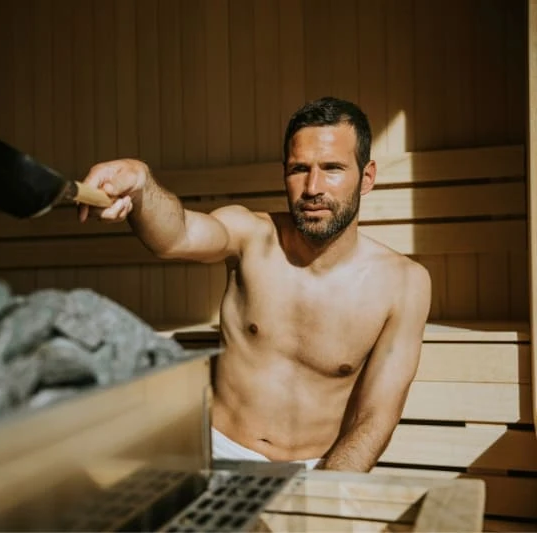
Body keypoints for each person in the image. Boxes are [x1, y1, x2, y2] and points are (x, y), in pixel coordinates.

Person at [76, 97, 432, 472]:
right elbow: (176, 236)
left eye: (332, 168)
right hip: (215, 454)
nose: (313, 187)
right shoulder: (250, 235)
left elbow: (374, 418)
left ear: (367, 177)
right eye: (299, 169)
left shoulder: (403, 284)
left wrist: (327, 495)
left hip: (316, 469)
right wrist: (140, 183)